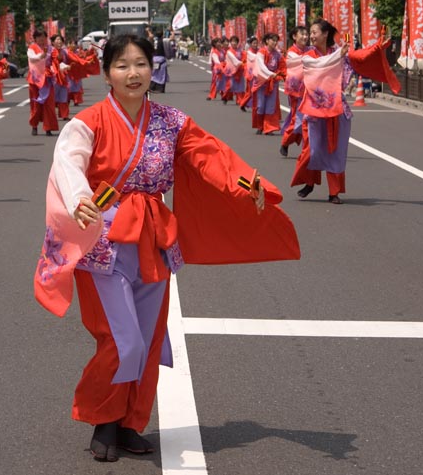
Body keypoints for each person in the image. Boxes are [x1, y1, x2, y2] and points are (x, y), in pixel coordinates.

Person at [34, 34, 300, 463]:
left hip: (153, 239)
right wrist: (79, 198)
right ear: (107, 74)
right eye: (122, 65)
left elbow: (211, 157)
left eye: (140, 63)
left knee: (149, 336)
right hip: (103, 239)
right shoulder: (88, 123)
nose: (133, 73)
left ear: (151, 69)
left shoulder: (172, 121)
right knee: (123, 341)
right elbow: (69, 162)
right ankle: (103, 417)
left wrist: (249, 184)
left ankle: (128, 422)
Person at [290, 20, 353, 204]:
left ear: (325, 34)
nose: (311, 35)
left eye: (315, 32)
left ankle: (334, 192)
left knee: (336, 150)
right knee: (313, 149)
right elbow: (317, 66)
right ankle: (309, 181)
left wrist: (371, 51)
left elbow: (350, 67)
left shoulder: (338, 52)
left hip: (336, 108)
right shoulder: (308, 55)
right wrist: (339, 56)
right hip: (314, 110)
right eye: (310, 32)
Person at [280, 26, 310, 157]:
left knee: (311, 121)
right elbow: (303, 61)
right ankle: (286, 141)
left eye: (307, 34)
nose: (305, 37)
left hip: (311, 91)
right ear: (294, 37)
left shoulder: (310, 51)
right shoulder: (291, 52)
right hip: (296, 93)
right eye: (302, 34)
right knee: (298, 121)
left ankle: (308, 150)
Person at [27, 29, 59, 136]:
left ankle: (48, 127)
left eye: (43, 37)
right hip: (34, 80)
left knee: (49, 104)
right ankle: (34, 126)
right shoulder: (32, 48)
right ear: (35, 38)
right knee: (35, 104)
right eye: (39, 37)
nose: (41, 39)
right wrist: (41, 56)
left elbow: (56, 61)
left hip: (47, 79)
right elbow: (32, 58)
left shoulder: (51, 49)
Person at [250, 33, 283, 135]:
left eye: (276, 40)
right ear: (267, 41)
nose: (274, 42)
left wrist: (281, 75)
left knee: (271, 105)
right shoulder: (261, 52)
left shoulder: (277, 54)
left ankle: (269, 127)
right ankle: (260, 126)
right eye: (272, 40)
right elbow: (261, 67)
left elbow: (282, 66)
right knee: (260, 105)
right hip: (262, 82)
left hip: (272, 82)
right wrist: (271, 74)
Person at [222, 36, 246, 106]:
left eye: (235, 41)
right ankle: (226, 97)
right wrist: (241, 63)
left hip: (239, 70)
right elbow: (234, 60)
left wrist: (244, 62)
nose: (234, 43)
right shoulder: (229, 51)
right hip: (231, 71)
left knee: (240, 86)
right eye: (232, 41)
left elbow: (244, 57)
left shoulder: (240, 50)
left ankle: (239, 100)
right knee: (230, 85)